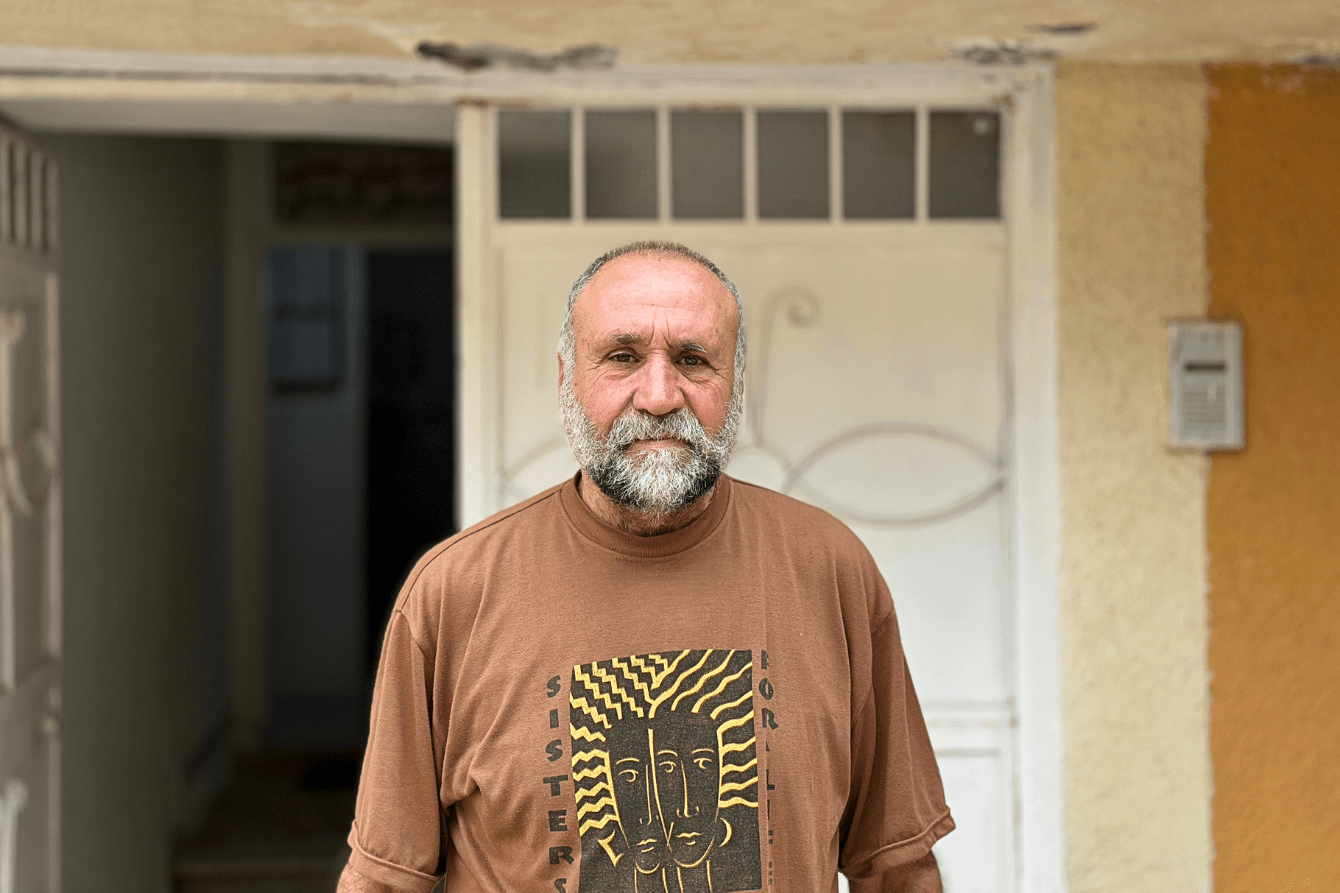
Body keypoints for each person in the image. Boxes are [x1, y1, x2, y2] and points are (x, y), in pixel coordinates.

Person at [337, 241, 953, 893]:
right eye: (623, 356)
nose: (659, 395)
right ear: (567, 378)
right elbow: (385, 881)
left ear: (735, 382)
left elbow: (897, 867)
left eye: (693, 359)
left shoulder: (833, 572)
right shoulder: (451, 595)